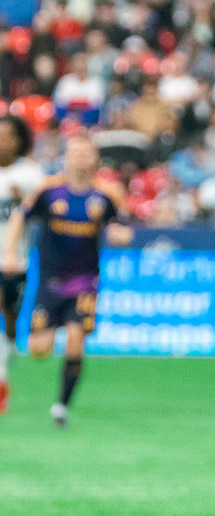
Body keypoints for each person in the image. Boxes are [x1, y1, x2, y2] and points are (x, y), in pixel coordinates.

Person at [2, 135, 131, 427]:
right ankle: (52, 327)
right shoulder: (48, 190)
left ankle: (61, 407)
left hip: (85, 281)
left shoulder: (107, 193)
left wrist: (121, 235)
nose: (81, 158)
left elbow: (122, 225)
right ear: (67, 157)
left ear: (94, 158)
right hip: (50, 281)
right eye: (76, 153)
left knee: (76, 340)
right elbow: (20, 218)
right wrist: (10, 251)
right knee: (38, 349)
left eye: (87, 153)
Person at [0, 114, 46, 414]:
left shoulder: (31, 175)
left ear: (19, 140)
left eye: (8, 136)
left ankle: (3, 377)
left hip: (14, 261)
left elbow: (46, 213)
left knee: (9, 321)